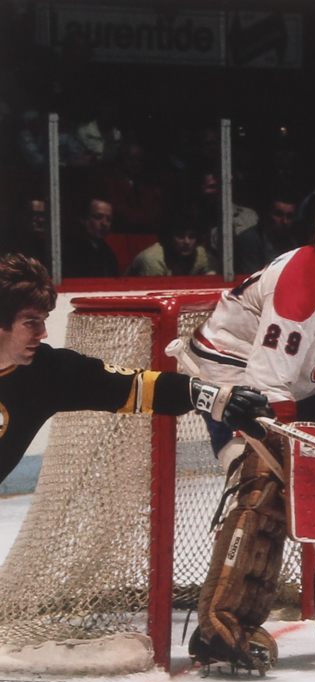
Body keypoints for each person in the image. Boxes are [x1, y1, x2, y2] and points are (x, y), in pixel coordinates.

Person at [182, 189, 315, 672]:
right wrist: (290, 455)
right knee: (267, 486)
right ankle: (224, 623)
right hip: (234, 378)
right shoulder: (301, 283)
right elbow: (265, 379)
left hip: (296, 379)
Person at [0, 252, 271, 488]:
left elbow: (135, 387)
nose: (43, 333)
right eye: (30, 322)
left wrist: (209, 395)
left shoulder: (47, 373)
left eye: (44, 321)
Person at [130, 209, 220, 277]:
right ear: (168, 237)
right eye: (180, 236)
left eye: (192, 236)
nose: (187, 242)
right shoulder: (153, 260)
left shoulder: (201, 255)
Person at [234, 195, 298, 275]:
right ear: (267, 214)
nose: (284, 221)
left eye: (289, 216)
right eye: (278, 214)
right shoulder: (249, 239)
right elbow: (252, 278)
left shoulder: (292, 242)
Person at [60, 196, 120, 278]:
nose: (104, 223)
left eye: (108, 219)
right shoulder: (70, 249)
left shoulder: (108, 253)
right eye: (98, 217)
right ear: (83, 219)